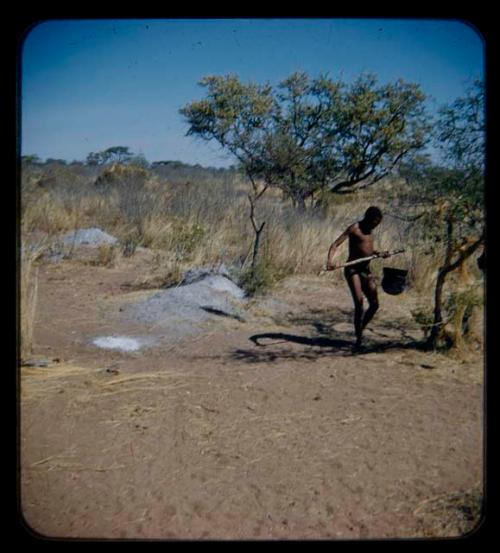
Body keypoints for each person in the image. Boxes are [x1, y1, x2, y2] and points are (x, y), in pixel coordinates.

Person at [326, 206, 389, 350]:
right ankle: (359, 339)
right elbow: (335, 245)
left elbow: (366, 249)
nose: (375, 226)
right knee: (359, 303)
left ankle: (359, 328)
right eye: (374, 223)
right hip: (353, 270)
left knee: (374, 304)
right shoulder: (354, 228)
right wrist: (329, 261)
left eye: (377, 224)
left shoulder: (370, 230)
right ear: (367, 218)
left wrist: (378, 253)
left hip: (366, 270)